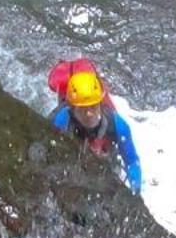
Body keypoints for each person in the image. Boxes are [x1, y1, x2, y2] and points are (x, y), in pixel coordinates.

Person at [48, 63, 142, 194]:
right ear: (72, 108)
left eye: (93, 107)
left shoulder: (117, 125)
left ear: (100, 103)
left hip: (104, 153)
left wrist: (135, 190)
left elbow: (132, 161)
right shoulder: (59, 122)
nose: (89, 114)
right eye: (82, 109)